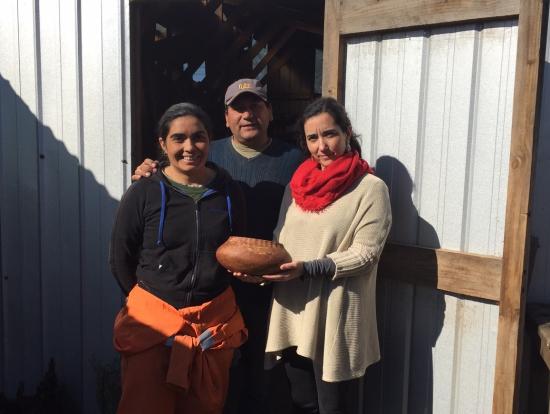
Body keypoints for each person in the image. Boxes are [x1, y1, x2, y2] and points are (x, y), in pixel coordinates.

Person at [132, 79, 304, 414]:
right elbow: (171, 177)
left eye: (256, 105)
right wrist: (147, 170)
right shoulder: (209, 154)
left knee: (264, 376)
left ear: (269, 112)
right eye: (238, 107)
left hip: (271, 292)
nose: (247, 114)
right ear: (226, 117)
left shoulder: (294, 160)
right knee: (214, 379)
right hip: (215, 292)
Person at [250, 97, 392, 414]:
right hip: (294, 312)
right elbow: (280, 239)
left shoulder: (370, 188)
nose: (321, 146)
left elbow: (366, 254)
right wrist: (262, 270)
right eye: (312, 138)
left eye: (329, 134)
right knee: (301, 404)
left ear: (347, 132)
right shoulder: (297, 185)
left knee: (334, 408)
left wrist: (309, 268)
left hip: (335, 316)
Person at [110, 103, 248, 414]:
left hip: (211, 329)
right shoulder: (144, 192)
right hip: (152, 330)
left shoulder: (229, 193)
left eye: (198, 137)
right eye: (179, 138)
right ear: (162, 143)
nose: (190, 147)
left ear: (210, 140)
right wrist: (154, 303)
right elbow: (120, 258)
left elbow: (238, 250)